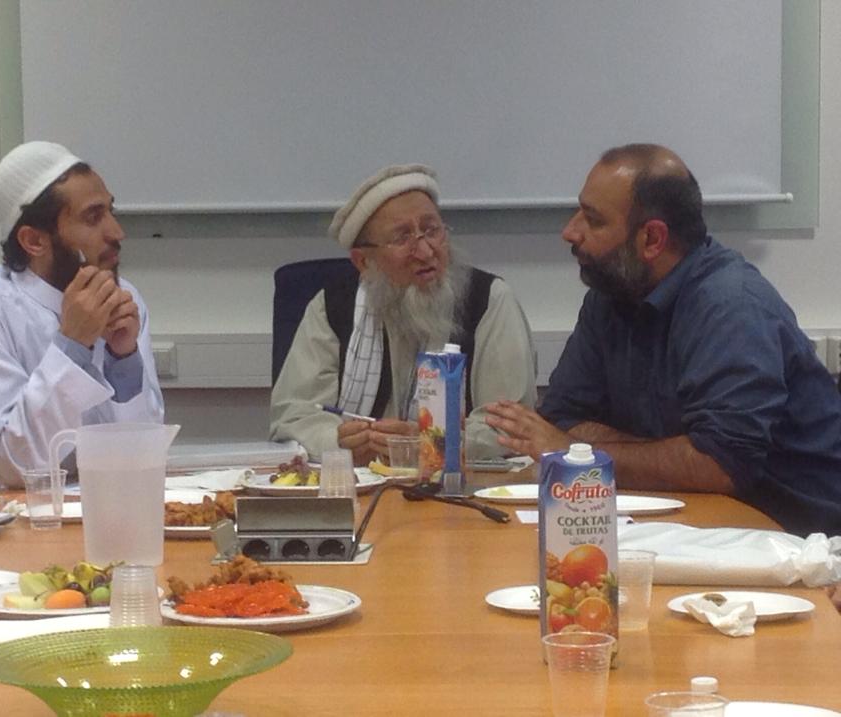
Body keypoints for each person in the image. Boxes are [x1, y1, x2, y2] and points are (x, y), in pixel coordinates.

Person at [485, 143, 841, 536]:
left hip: (800, 537)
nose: (570, 231)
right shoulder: (611, 294)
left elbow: (720, 466)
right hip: (692, 523)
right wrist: (671, 453)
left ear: (652, 239)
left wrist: (576, 453)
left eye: (593, 220)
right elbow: (563, 417)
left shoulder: (732, 306)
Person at [0, 141, 164, 493]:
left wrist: (123, 358)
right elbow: (16, 467)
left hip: (92, 507)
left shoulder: (123, 297)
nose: (116, 232)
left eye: (111, 211)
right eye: (93, 217)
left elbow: (143, 453)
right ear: (34, 240)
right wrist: (72, 346)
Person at [270, 163, 537, 465]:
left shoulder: (489, 300)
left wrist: (434, 442)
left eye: (431, 230)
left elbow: (510, 424)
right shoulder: (332, 307)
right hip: (356, 480)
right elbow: (294, 416)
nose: (425, 252)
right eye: (402, 238)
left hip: (459, 483)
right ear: (362, 262)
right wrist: (338, 441)